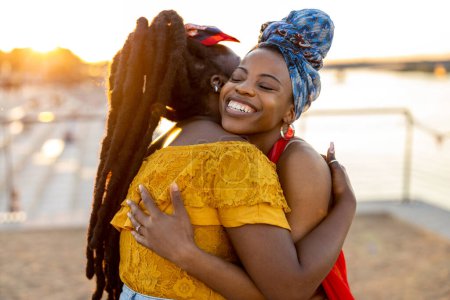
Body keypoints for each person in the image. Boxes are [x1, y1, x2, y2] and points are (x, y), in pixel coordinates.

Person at [86, 9, 354, 300]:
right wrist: (347, 206)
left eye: (264, 86)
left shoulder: (296, 160)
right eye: (237, 77)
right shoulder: (233, 156)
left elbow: (292, 288)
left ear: (291, 110)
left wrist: (347, 205)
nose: (244, 89)